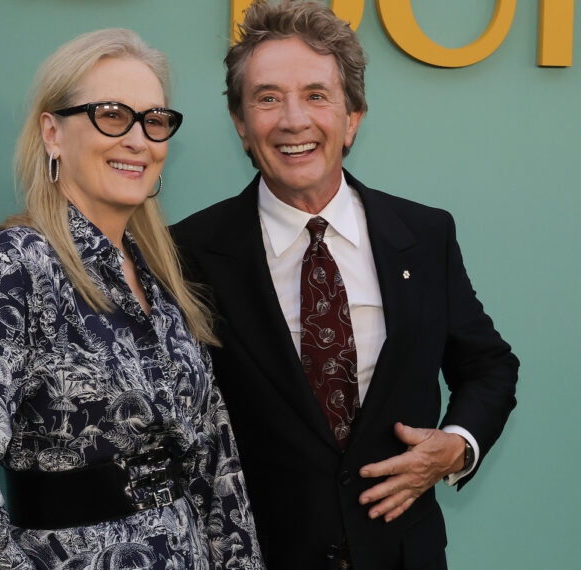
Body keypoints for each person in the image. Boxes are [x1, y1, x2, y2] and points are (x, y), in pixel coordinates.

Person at [0, 28, 262, 570]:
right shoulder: (21, 264)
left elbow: (214, 460)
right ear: (52, 133)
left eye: (154, 121)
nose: (139, 139)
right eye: (112, 114)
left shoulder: (162, 275)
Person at [171, 2, 519, 568]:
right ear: (240, 123)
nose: (293, 120)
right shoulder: (186, 253)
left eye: (316, 95)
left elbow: (490, 366)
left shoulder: (424, 234)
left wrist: (456, 446)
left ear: (352, 116)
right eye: (267, 98)